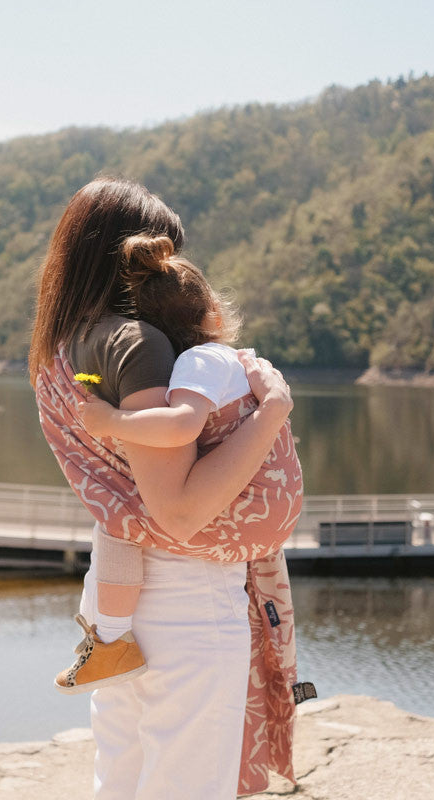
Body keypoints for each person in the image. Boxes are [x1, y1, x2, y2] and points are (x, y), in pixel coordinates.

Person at [30, 176, 310, 799]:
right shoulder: (139, 345)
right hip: (185, 597)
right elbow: (179, 510)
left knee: (123, 779)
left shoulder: (58, 345)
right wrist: (272, 412)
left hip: (119, 599)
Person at [51, 232, 304, 699]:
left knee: (118, 515)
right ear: (215, 314)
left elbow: (182, 426)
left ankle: (109, 640)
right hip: (272, 521)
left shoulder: (197, 362)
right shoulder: (233, 359)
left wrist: (113, 420)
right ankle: (107, 641)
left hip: (240, 535)